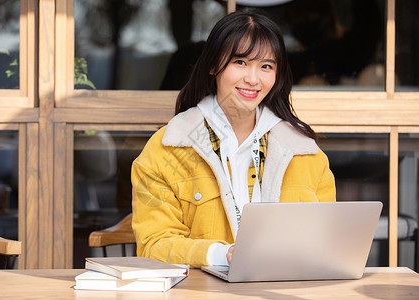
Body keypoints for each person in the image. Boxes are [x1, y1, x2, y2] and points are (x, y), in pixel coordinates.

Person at [131, 10, 336, 268]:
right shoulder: (167, 149)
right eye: (240, 62)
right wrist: (221, 254)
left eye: (266, 66)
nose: (252, 78)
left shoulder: (305, 153)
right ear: (214, 65)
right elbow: (154, 245)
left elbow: (328, 240)